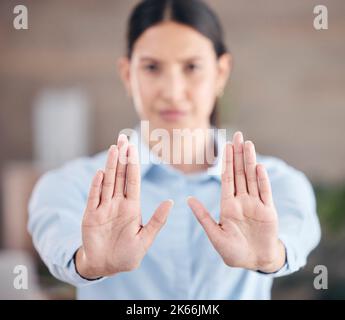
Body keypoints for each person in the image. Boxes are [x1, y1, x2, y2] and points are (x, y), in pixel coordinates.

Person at [28, 0, 321, 299]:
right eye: (152, 67)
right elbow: (56, 238)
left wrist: (270, 257)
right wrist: (88, 263)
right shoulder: (72, 184)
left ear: (221, 72)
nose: (172, 90)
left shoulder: (277, 183)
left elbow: (296, 233)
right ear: (128, 74)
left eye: (191, 67)